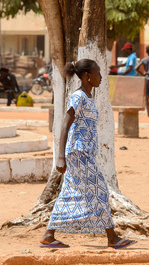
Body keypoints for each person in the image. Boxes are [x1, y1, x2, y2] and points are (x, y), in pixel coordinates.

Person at [40, 59, 137, 249]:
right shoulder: (78, 97)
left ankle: (48, 235)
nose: (100, 77)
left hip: (85, 152)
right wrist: (60, 156)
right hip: (78, 152)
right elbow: (65, 125)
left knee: (70, 192)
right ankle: (112, 237)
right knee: (100, 188)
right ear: (87, 76)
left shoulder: (88, 97)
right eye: (97, 73)